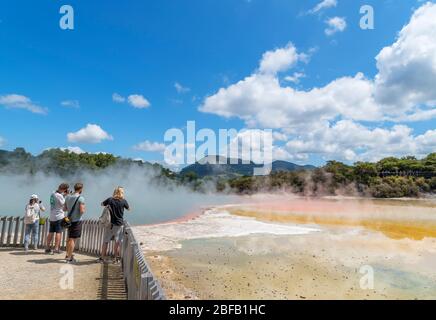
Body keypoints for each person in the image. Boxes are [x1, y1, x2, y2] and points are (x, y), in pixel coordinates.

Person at [98, 187, 130, 264]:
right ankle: (116, 259)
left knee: (106, 241)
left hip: (109, 224)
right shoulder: (123, 201)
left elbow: (102, 204)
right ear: (122, 193)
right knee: (117, 242)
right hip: (119, 224)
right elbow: (129, 209)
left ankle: (102, 258)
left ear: (114, 192)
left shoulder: (110, 200)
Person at [64, 183, 86, 264]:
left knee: (69, 238)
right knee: (73, 239)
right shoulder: (81, 198)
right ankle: (69, 258)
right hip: (77, 221)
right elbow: (82, 211)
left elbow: (64, 209)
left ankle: (67, 254)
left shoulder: (68, 197)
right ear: (80, 189)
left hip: (69, 220)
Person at [46, 183, 69, 254]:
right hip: (59, 216)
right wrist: (66, 196)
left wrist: (63, 195)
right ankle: (56, 248)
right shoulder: (59, 196)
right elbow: (64, 204)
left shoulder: (52, 193)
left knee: (50, 232)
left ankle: (47, 248)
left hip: (52, 216)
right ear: (64, 189)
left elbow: (57, 200)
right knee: (58, 233)